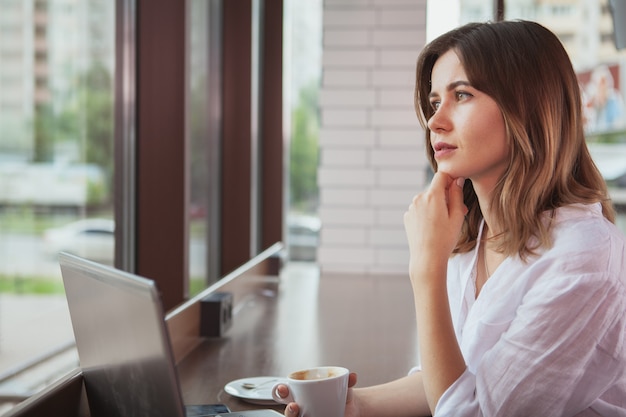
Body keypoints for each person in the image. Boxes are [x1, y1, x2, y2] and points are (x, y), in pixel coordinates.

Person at [276, 20, 626, 416]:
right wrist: (348, 406)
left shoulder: (585, 258)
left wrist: (426, 269)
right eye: (434, 102)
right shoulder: (473, 235)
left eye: (461, 95)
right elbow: (449, 381)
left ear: (528, 107)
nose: (434, 121)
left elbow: (468, 412)